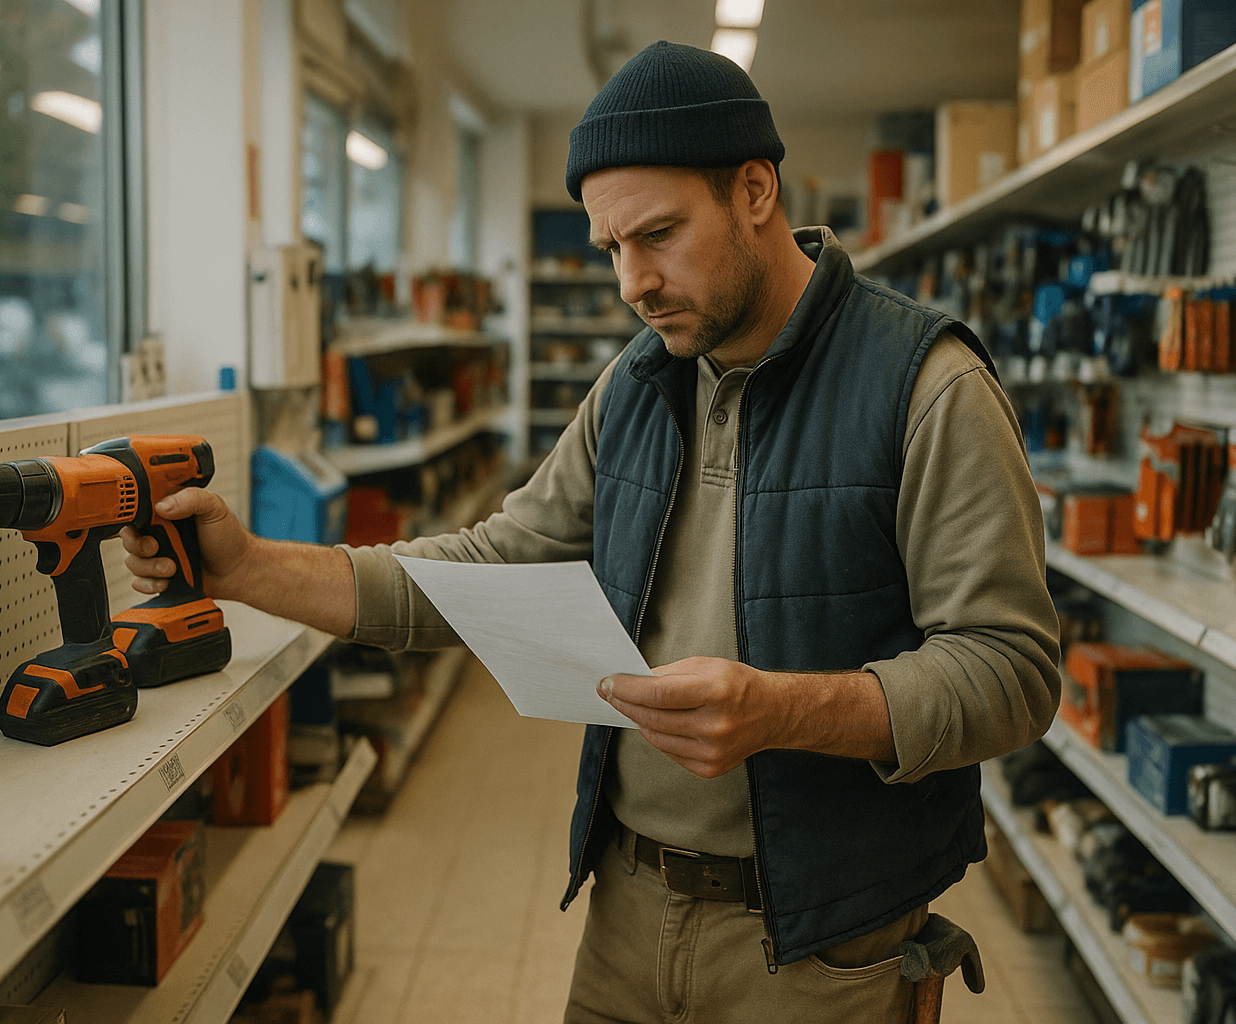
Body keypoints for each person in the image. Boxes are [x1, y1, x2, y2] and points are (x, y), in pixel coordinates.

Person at [123, 40, 1060, 1023]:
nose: (631, 283)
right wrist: (249, 566)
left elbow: (1010, 670)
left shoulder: (925, 383)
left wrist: (782, 710)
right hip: (626, 913)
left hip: (827, 949)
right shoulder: (640, 386)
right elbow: (491, 565)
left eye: (658, 234)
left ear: (754, 190)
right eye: (611, 248)